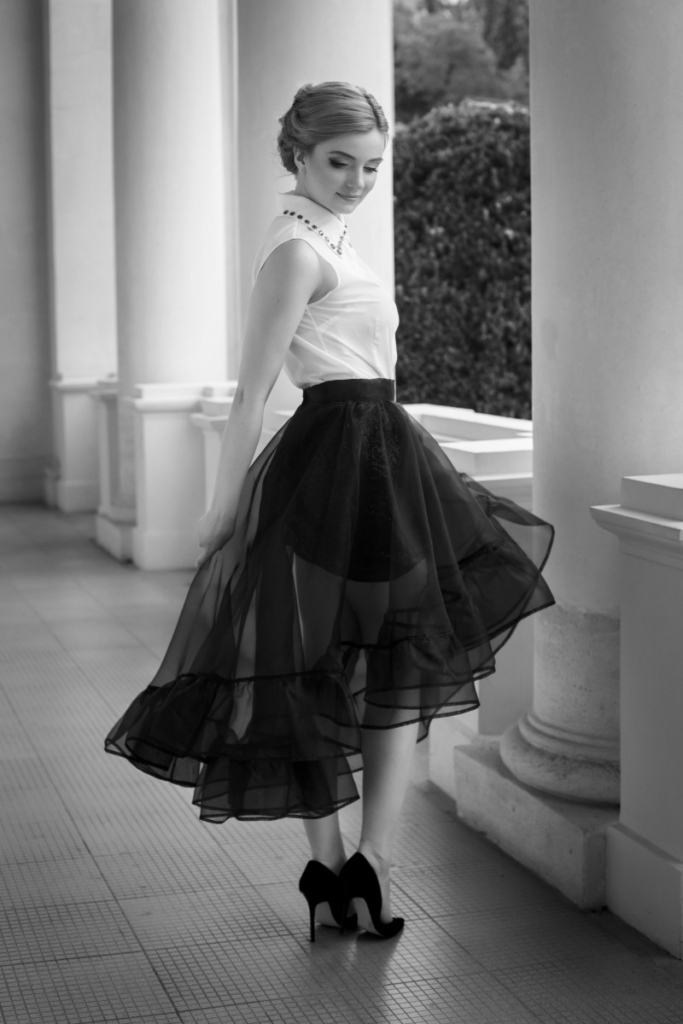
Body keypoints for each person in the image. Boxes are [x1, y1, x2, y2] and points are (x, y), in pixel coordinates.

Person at [104, 81, 555, 941]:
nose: (355, 179)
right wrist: (223, 510)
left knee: (390, 662)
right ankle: (341, 861)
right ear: (298, 157)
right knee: (320, 662)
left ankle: (359, 865)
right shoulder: (296, 253)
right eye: (338, 162)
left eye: (371, 165)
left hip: (379, 454)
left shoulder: (327, 236)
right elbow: (249, 394)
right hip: (336, 457)